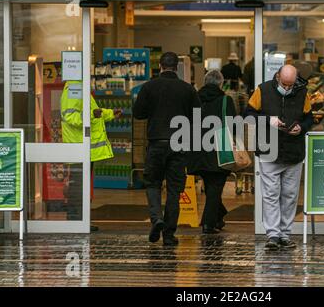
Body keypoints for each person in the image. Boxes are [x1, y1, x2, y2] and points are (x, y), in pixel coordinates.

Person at [133, 52, 200, 246]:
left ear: (160, 66)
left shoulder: (149, 87)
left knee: (152, 183)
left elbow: (138, 114)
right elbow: (198, 117)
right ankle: (169, 235)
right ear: (176, 67)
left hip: (156, 143)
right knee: (174, 190)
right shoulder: (188, 89)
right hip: (178, 146)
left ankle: (156, 219)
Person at [245, 64, 313, 250]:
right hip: (269, 150)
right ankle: (273, 235)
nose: (288, 87)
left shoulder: (302, 93)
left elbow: (309, 117)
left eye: (291, 84)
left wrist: (302, 128)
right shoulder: (262, 90)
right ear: (277, 77)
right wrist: (268, 120)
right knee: (271, 194)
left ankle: (284, 234)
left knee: (290, 195)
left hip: (293, 151)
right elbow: (248, 114)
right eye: (285, 84)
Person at [61, 80, 122, 230]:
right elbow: (70, 116)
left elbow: (93, 112)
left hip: (83, 147)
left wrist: (109, 114)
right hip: (78, 146)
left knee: (81, 185)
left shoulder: (80, 86)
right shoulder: (74, 87)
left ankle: (81, 221)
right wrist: (91, 116)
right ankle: (76, 221)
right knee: (78, 186)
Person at [187, 70, 237, 234]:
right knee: (215, 186)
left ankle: (218, 218)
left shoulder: (194, 99)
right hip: (218, 148)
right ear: (221, 84)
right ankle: (208, 224)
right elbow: (232, 125)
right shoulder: (225, 100)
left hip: (197, 149)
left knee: (210, 186)